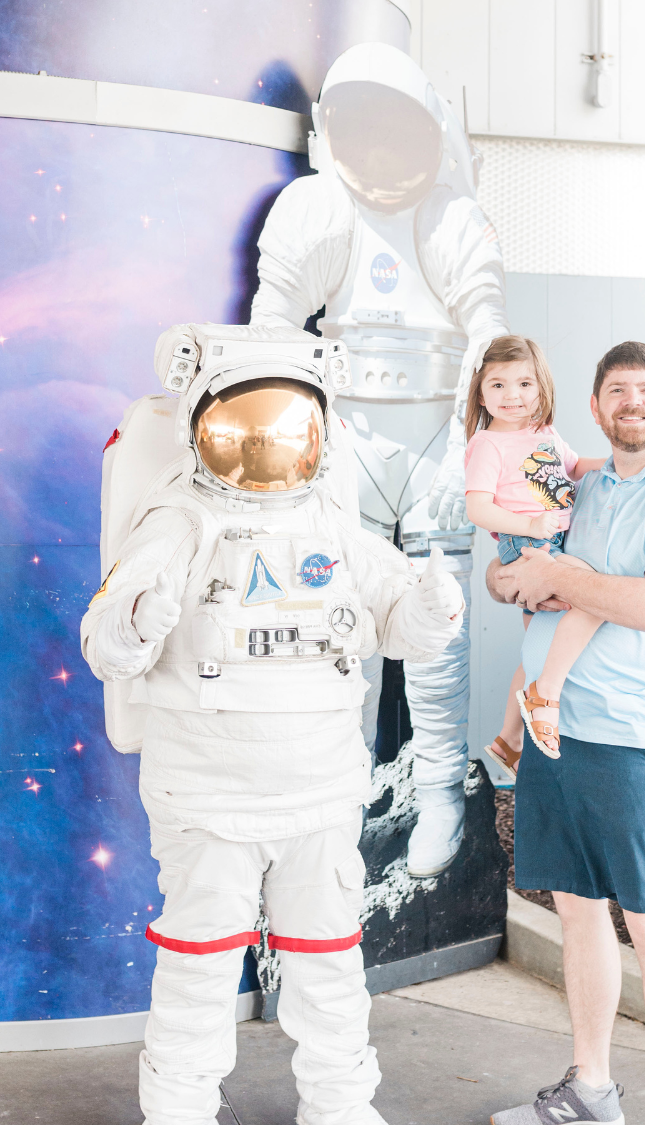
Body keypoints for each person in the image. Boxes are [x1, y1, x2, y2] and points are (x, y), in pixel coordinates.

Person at [80, 322, 464, 1125]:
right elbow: (109, 639)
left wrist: (434, 606)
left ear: (318, 431)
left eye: (285, 423)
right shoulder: (180, 521)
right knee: (201, 962)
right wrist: (136, 621)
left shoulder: (332, 524)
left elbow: (400, 619)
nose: (265, 442)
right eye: (245, 423)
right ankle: (178, 1117)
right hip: (210, 793)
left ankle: (338, 1101)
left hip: (318, 792)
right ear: (202, 426)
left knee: (328, 958)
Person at [249, 42, 510, 878]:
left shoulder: (450, 217)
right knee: (337, 620)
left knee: (437, 628)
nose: (383, 146)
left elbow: (488, 325)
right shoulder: (318, 209)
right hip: (346, 440)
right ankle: (345, 783)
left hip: (438, 442)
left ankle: (438, 790)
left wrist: (482, 421)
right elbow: (270, 331)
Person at [485, 339, 645, 1125]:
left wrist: (568, 576)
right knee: (580, 913)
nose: (632, 401)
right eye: (617, 389)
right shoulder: (575, 482)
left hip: (628, 737)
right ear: (594, 405)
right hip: (555, 731)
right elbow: (508, 568)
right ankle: (590, 1087)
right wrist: (520, 577)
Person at [462, 334, 607, 771]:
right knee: (593, 594)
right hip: (526, 541)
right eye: (499, 385)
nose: (513, 396)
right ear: (481, 394)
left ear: (541, 388)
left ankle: (509, 739)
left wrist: (619, 463)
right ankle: (547, 693)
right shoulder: (487, 444)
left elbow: (574, 467)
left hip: (553, 537)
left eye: (524, 384)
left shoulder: (543, 432)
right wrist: (527, 526)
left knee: (538, 647)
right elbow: (478, 507)